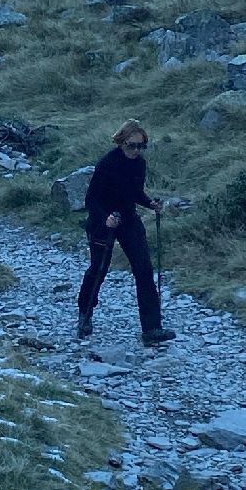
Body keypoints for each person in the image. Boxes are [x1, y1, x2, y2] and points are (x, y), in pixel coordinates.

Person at [77, 119, 167, 346]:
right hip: (103, 220)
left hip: (128, 218)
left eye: (141, 146)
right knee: (99, 268)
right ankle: (85, 315)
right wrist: (105, 218)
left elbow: (135, 193)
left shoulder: (139, 164)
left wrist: (150, 203)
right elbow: (91, 199)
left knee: (144, 269)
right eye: (132, 145)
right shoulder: (107, 163)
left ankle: (152, 327)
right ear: (121, 142)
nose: (136, 150)